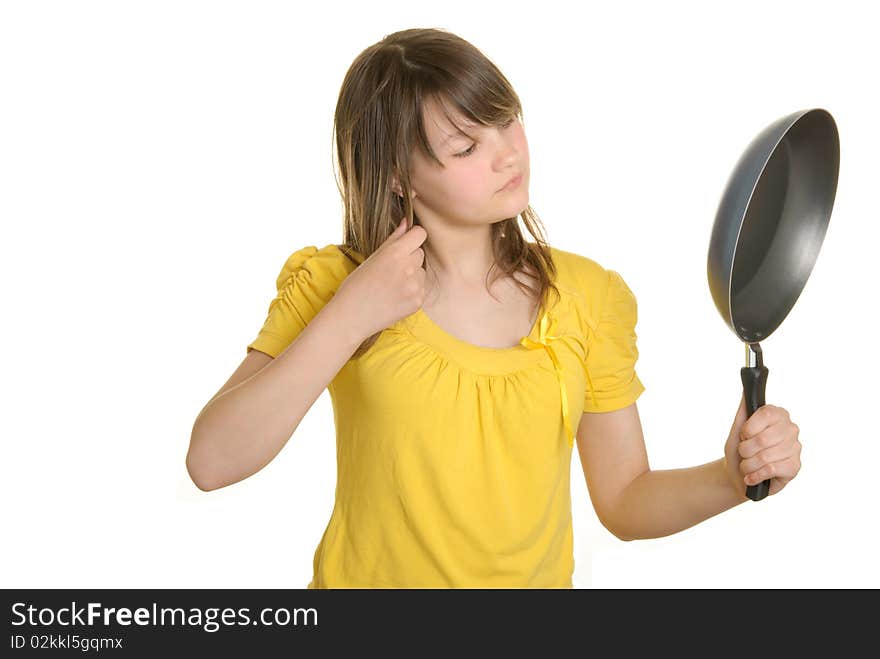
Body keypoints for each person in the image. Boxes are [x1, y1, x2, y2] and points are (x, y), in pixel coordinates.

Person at [186, 28, 802, 588]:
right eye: (465, 146)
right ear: (400, 177)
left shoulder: (587, 297)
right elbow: (212, 462)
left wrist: (729, 479)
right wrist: (350, 314)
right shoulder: (333, 283)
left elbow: (624, 501)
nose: (509, 153)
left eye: (508, 121)